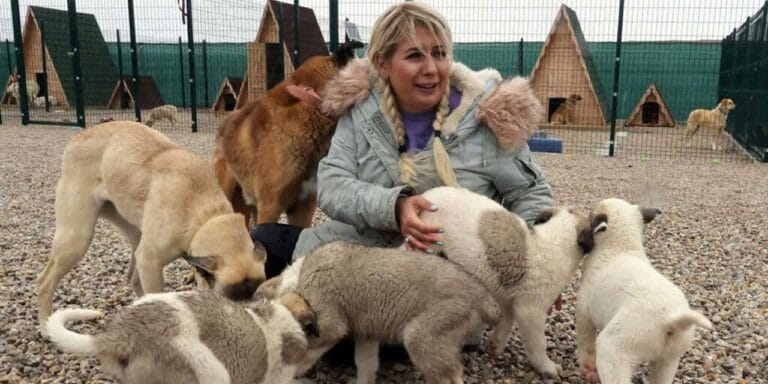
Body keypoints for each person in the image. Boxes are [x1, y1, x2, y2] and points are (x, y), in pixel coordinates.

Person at [252, 1, 552, 279]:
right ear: (381, 63)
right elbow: (332, 185)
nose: (431, 69)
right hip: (359, 252)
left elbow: (531, 193)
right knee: (258, 244)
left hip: (445, 277)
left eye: (440, 53)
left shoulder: (487, 115)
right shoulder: (361, 109)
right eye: (414, 56)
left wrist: (528, 267)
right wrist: (394, 207)